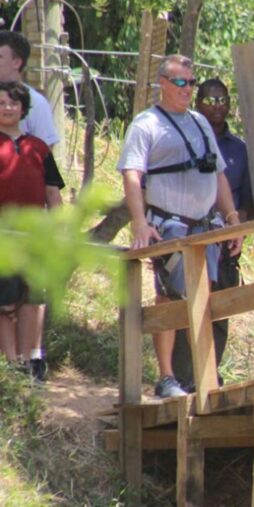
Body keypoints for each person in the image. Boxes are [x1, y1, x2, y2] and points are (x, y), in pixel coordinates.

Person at [118, 55, 242, 398]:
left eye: (191, 82)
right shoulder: (146, 124)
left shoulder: (201, 123)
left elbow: (218, 175)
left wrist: (232, 221)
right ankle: (167, 375)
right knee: (169, 297)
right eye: (182, 82)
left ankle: (202, 376)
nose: (189, 89)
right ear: (163, 83)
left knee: (205, 298)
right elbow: (132, 174)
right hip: (168, 225)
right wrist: (140, 223)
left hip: (205, 227)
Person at [170, 78, 252, 391]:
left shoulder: (240, 150)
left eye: (222, 100)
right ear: (197, 102)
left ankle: (210, 375)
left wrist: (238, 227)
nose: (216, 106)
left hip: (226, 239)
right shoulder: (185, 140)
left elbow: (247, 200)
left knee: (219, 309)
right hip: (190, 236)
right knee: (185, 305)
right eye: (209, 99)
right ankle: (183, 377)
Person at [0, 31, 62, 381]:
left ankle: (29, 361)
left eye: (13, 104)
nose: (7, 108)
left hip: (34, 232)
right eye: (1, 103)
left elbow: (52, 190)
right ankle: (9, 366)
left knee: (31, 296)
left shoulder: (38, 146)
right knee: (4, 300)